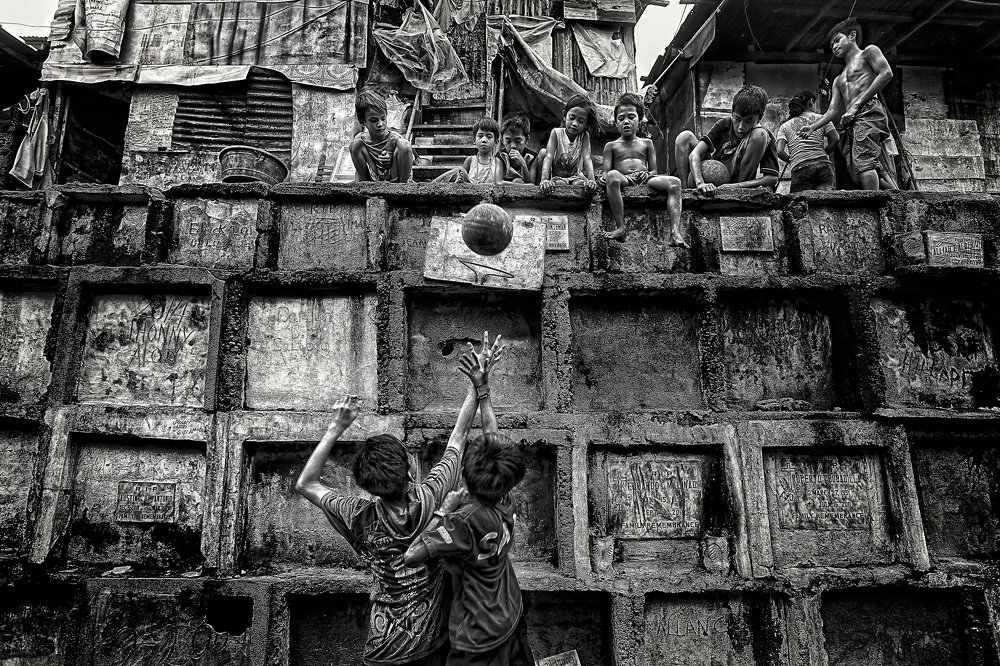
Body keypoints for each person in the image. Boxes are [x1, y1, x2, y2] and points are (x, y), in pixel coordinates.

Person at [295, 331, 505, 666]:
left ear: (368, 487)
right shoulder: (434, 496)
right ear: (410, 470)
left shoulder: (357, 516)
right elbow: (459, 436)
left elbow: (306, 483)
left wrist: (337, 427)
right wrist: (477, 385)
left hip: (380, 650)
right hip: (430, 647)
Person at [403, 340, 535, 666]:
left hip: (476, 637)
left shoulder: (462, 521)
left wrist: (445, 508)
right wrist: (483, 388)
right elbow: (494, 437)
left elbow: (412, 555)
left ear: (463, 473)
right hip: (511, 614)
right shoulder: (505, 499)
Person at [798, 18, 897, 190]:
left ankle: (872, 206)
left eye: (837, 40)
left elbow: (886, 73)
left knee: (864, 162)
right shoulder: (838, 79)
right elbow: (832, 111)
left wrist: (857, 105)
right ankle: (894, 195)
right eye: (832, 45)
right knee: (857, 169)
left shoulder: (868, 52)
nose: (835, 46)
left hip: (868, 110)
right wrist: (813, 127)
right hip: (851, 121)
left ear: (852, 36)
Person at [599, 92, 686, 245]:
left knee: (675, 182)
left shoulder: (647, 143)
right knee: (612, 175)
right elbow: (606, 172)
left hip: (646, 179)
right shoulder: (610, 146)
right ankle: (621, 227)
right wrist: (604, 176)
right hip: (624, 178)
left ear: (640, 120)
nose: (626, 121)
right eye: (621, 118)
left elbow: (653, 170)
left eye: (631, 117)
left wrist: (647, 175)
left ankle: (675, 232)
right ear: (615, 122)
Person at [674, 85, 780, 196]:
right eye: (737, 119)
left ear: (760, 117)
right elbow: (694, 154)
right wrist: (700, 182)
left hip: (736, 183)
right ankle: (685, 193)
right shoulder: (724, 124)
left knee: (760, 134)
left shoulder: (764, 136)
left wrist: (733, 187)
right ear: (732, 113)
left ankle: (737, 192)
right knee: (685, 137)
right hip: (710, 178)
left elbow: (772, 178)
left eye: (748, 121)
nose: (741, 127)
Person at [777, 90, 839, 193]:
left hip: (800, 168)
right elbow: (835, 139)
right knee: (823, 204)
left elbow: (779, 151)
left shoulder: (785, 126)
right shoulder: (822, 119)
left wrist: (791, 159)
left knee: (800, 204)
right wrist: (824, 152)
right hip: (824, 166)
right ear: (811, 101)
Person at [350, 89, 415, 183]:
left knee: (404, 145)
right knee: (354, 145)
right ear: (362, 121)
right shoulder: (361, 141)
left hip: (396, 179)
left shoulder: (394, 139)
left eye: (383, 119)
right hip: (373, 180)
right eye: (374, 120)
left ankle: (403, 188)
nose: (380, 124)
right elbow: (359, 170)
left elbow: (407, 157)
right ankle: (365, 187)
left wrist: (390, 159)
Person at [539, 94, 598, 194]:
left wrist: (592, 180)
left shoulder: (584, 136)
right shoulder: (556, 133)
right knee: (560, 184)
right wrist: (544, 180)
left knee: (579, 186)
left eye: (581, 121)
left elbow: (587, 158)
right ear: (564, 115)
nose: (575, 123)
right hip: (558, 177)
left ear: (586, 123)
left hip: (576, 177)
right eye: (572, 118)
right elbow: (548, 156)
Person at [433, 117, 504, 184]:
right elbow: (463, 177)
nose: (484, 140)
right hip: (470, 192)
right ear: (474, 140)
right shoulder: (470, 160)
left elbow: (498, 184)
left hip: (489, 193)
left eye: (489, 137)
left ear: (496, 142)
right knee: (460, 170)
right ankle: (433, 185)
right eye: (480, 136)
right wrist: (461, 181)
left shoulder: (498, 162)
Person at [497, 113, 546, 185]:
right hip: (505, 194)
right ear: (502, 140)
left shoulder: (531, 157)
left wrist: (523, 164)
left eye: (517, 141)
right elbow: (498, 182)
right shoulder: (501, 156)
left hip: (528, 195)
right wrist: (520, 185)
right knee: (517, 181)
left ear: (527, 140)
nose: (513, 146)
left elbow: (532, 184)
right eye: (508, 141)